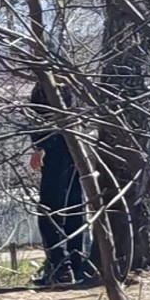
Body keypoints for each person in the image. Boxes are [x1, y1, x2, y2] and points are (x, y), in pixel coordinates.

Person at [28, 73, 96, 287]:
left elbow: (41, 120)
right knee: (75, 207)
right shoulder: (72, 85)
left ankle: (61, 267)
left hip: (55, 149)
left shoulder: (47, 85)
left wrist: (39, 148)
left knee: (50, 211)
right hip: (75, 149)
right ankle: (77, 264)